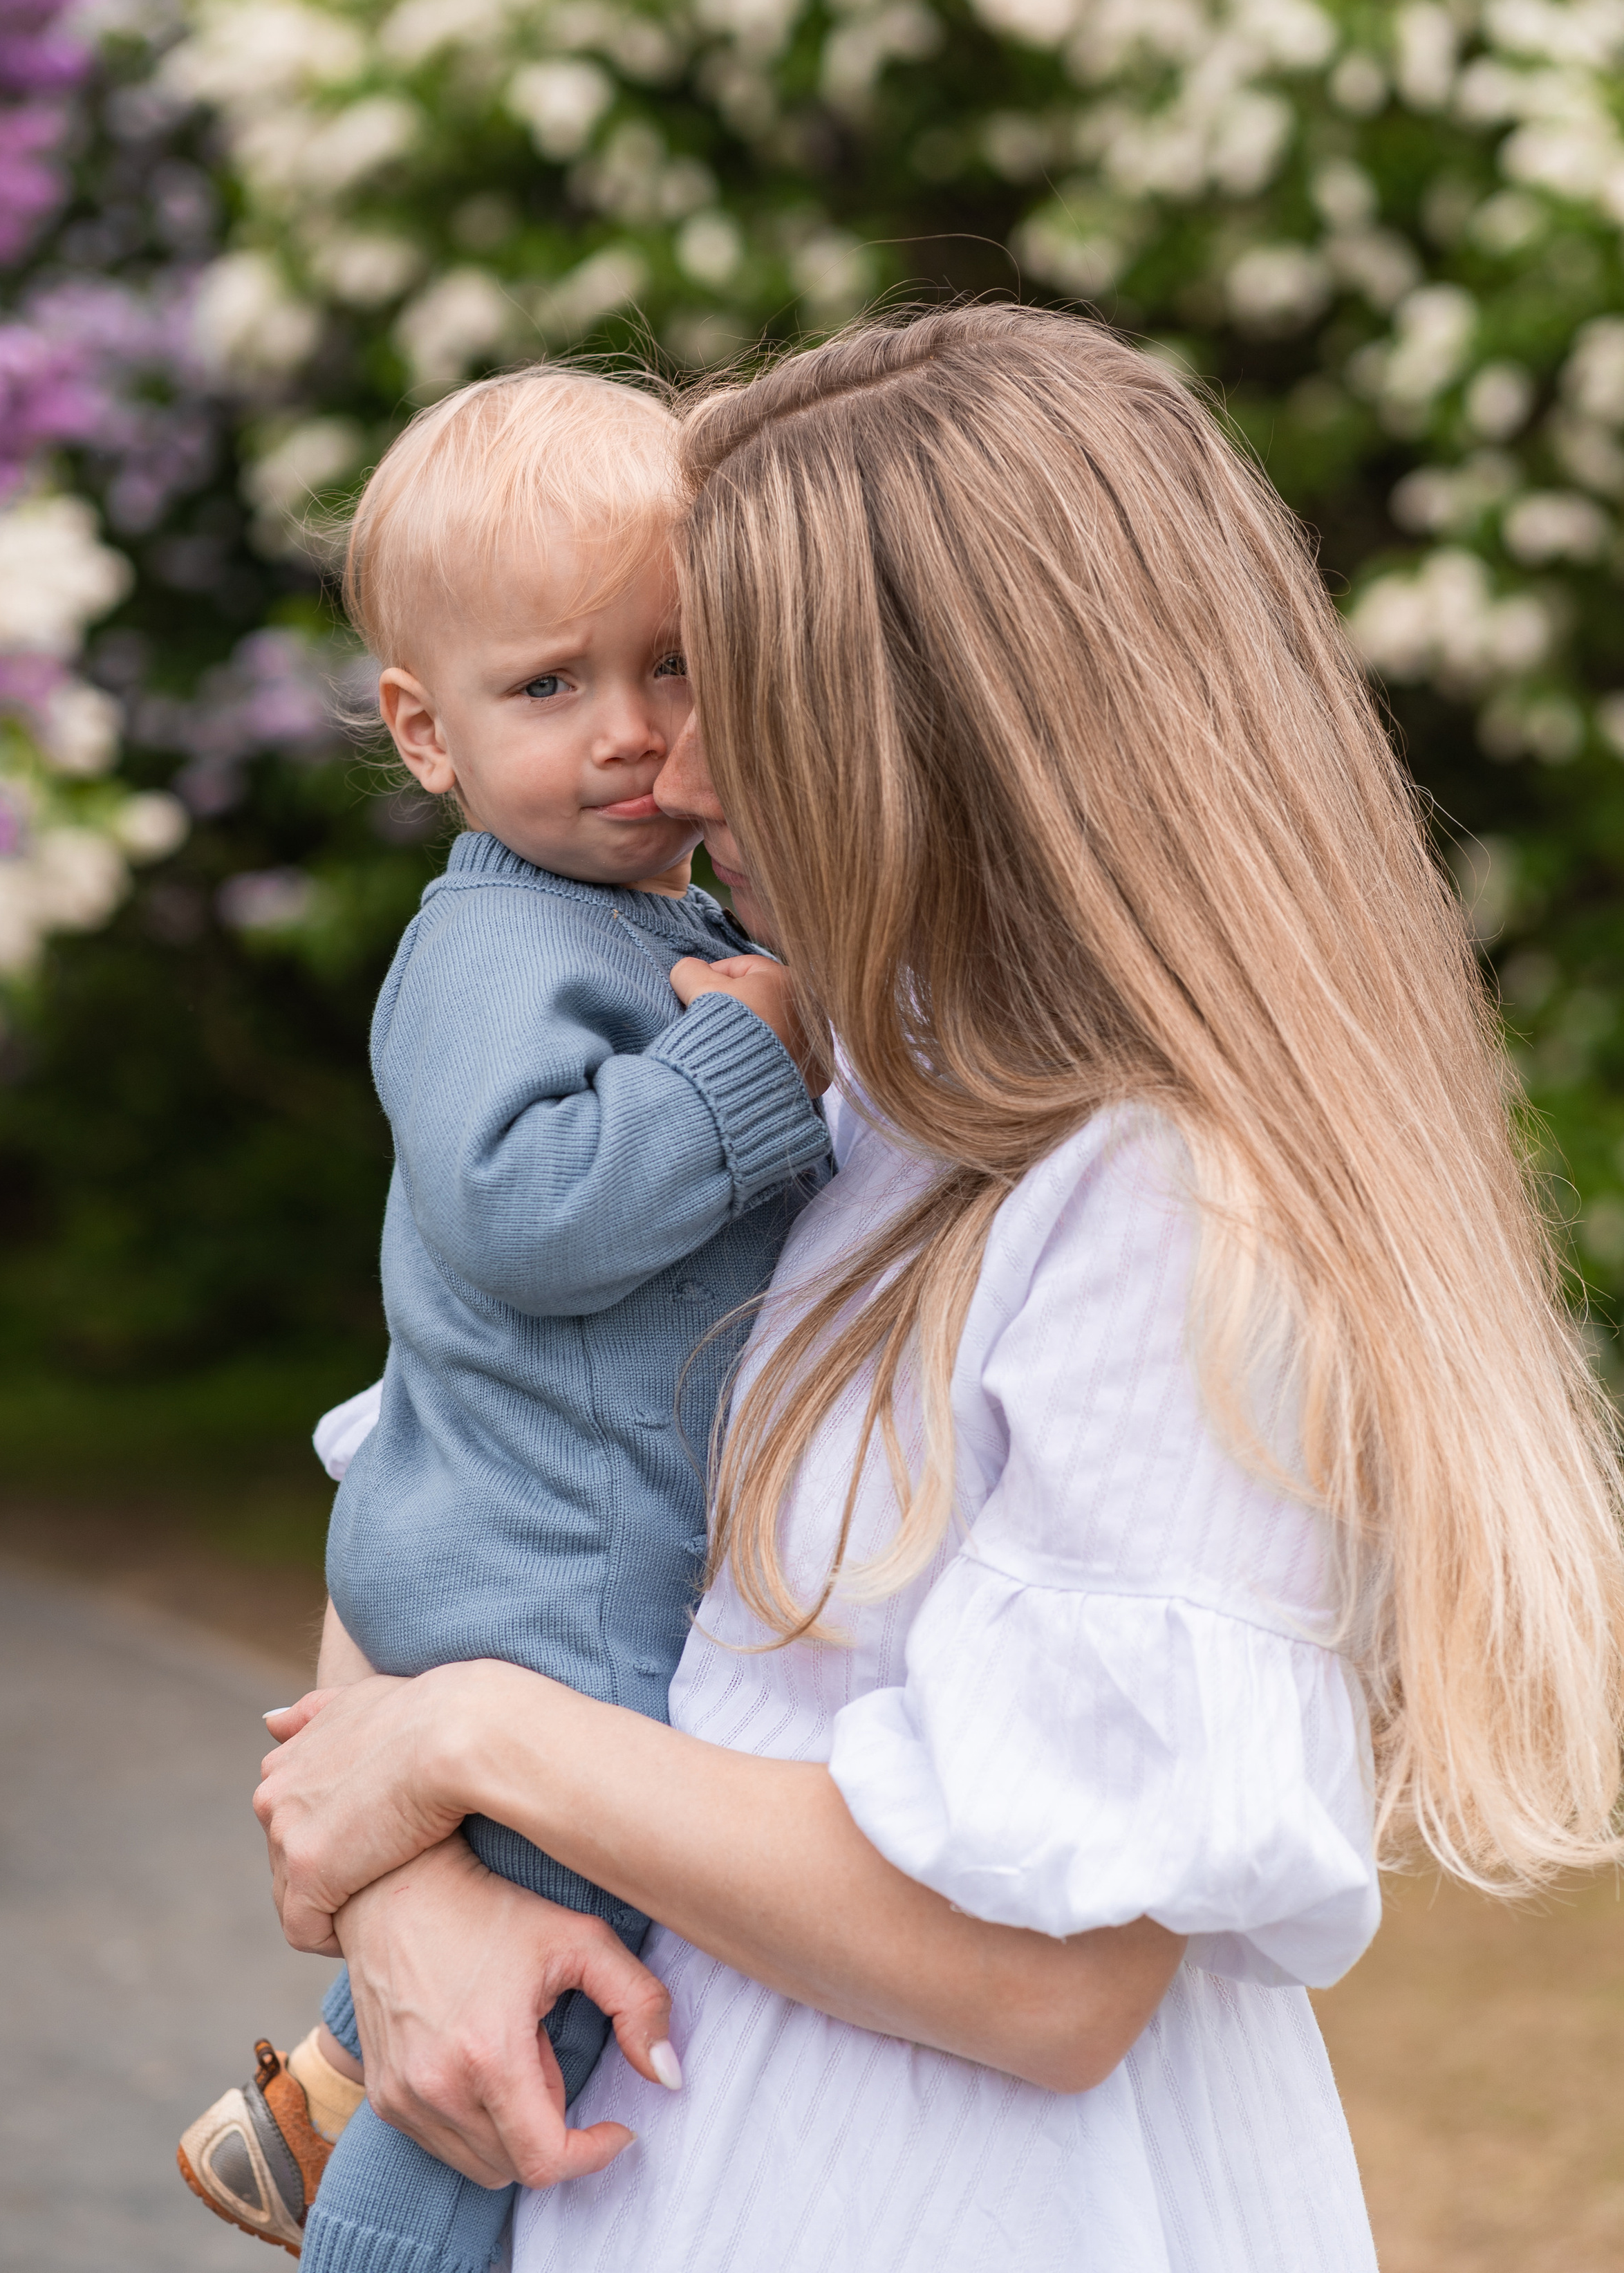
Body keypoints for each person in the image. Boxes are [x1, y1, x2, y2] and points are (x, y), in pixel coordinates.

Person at [253, 305, 1624, 2272]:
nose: (671, 761)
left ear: (939, 743)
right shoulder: (826, 1065)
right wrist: (413, 1890)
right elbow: (462, 1449)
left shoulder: (1166, 1202)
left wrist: (473, 1744)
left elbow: (1045, 1984)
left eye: (730, 688)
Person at [176, 367, 832, 2267]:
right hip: (548, 1602)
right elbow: (522, 1211)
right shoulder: (491, 947)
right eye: (551, 688)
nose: (630, 736)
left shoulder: (638, 919)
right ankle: (384, 2217)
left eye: (675, 666)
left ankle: (305, 2115)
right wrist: (745, 1075)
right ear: (428, 731)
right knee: (516, 2021)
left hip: (549, 1554)